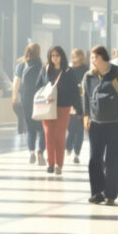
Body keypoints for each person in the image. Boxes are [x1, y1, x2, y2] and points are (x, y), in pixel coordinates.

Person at [81, 45, 118, 204]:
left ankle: (110, 194)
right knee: (95, 160)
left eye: (95, 57)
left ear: (103, 57)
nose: (92, 60)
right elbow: (85, 98)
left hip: (117, 124)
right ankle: (97, 192)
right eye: (91, 58)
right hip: (96, 125)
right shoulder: (88, 76)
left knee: (113, 161)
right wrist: (86, 117)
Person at [39, 46, 73, 176]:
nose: (55, 58)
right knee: (48, 135)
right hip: (48, 106)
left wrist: (78, 108)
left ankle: (59, 164)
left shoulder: (68, 71)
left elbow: (74, 91)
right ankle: (51, 163)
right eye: (52, 55)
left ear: (62, 56)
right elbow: (38, 85)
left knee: (59, 135)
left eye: (57, 55)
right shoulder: (45, 69)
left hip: (63, 107)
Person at [14, 42, 44, 161]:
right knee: (41, 128)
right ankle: (40, 152)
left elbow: (16, 84)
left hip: (26, 100)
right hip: (40, 101)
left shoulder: (22, 66)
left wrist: (14, 98)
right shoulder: (42, 66)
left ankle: (31, 151)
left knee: (30, 128)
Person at [65, 48, 89, 163]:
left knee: (79, 130)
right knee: (71, 129)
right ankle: (69, 147)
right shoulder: (69, 70)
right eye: (74, 56)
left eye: (77, 56)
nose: (75, 58)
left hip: (82, 102)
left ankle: (76, 153)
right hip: (71, 103)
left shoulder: (86, 70)